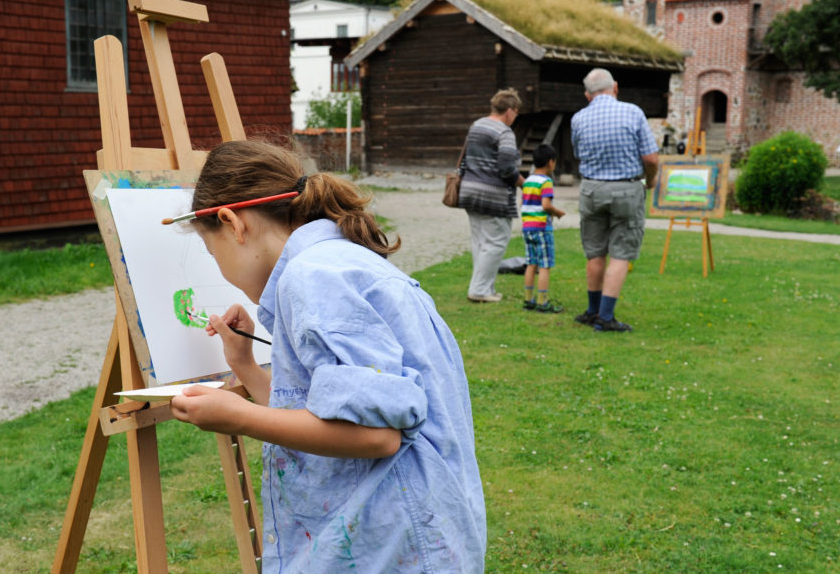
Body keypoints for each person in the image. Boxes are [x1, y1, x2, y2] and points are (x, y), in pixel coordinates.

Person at [169, 140, 486, 573]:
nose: (219, 267)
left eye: (212, 252)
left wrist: (238, 417)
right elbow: (326, 418)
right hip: (410, 538)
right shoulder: (335, 262)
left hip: (393, 548)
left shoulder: (314, 276)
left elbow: (376, 435)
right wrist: (245, 365)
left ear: (232, 222)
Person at [570, 68, 659, 332]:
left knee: (595, 251)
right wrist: (651, 181)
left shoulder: (578, 118)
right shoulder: (633, 113)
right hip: (626, 188)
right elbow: (651, 158)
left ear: (588, 95)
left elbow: (578, 153)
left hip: (591, 189)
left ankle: (591, 310)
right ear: (615, 87)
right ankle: (605, 318)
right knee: (621, 253)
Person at [458, 88, 524, 303]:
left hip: (469, 191)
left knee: (480, 242)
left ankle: (485, 288)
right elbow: (507, 168)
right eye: (516, 112)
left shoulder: (477, 125)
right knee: (495, 243)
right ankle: (479, 290)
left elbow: (465, 159)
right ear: (510, 110)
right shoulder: (504, 132)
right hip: (493, 196)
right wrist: (525, 183)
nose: (515, 117)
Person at [520, 144, 567, 313]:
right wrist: (557, 212)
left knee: (531, 263)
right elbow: (546, 205)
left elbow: (523, 204)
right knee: (545, 266)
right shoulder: (546, 182)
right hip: (541, 227)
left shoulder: (528, 181)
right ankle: (542, 301)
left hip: (527, 227)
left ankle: (528, 299)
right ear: (550, 162)